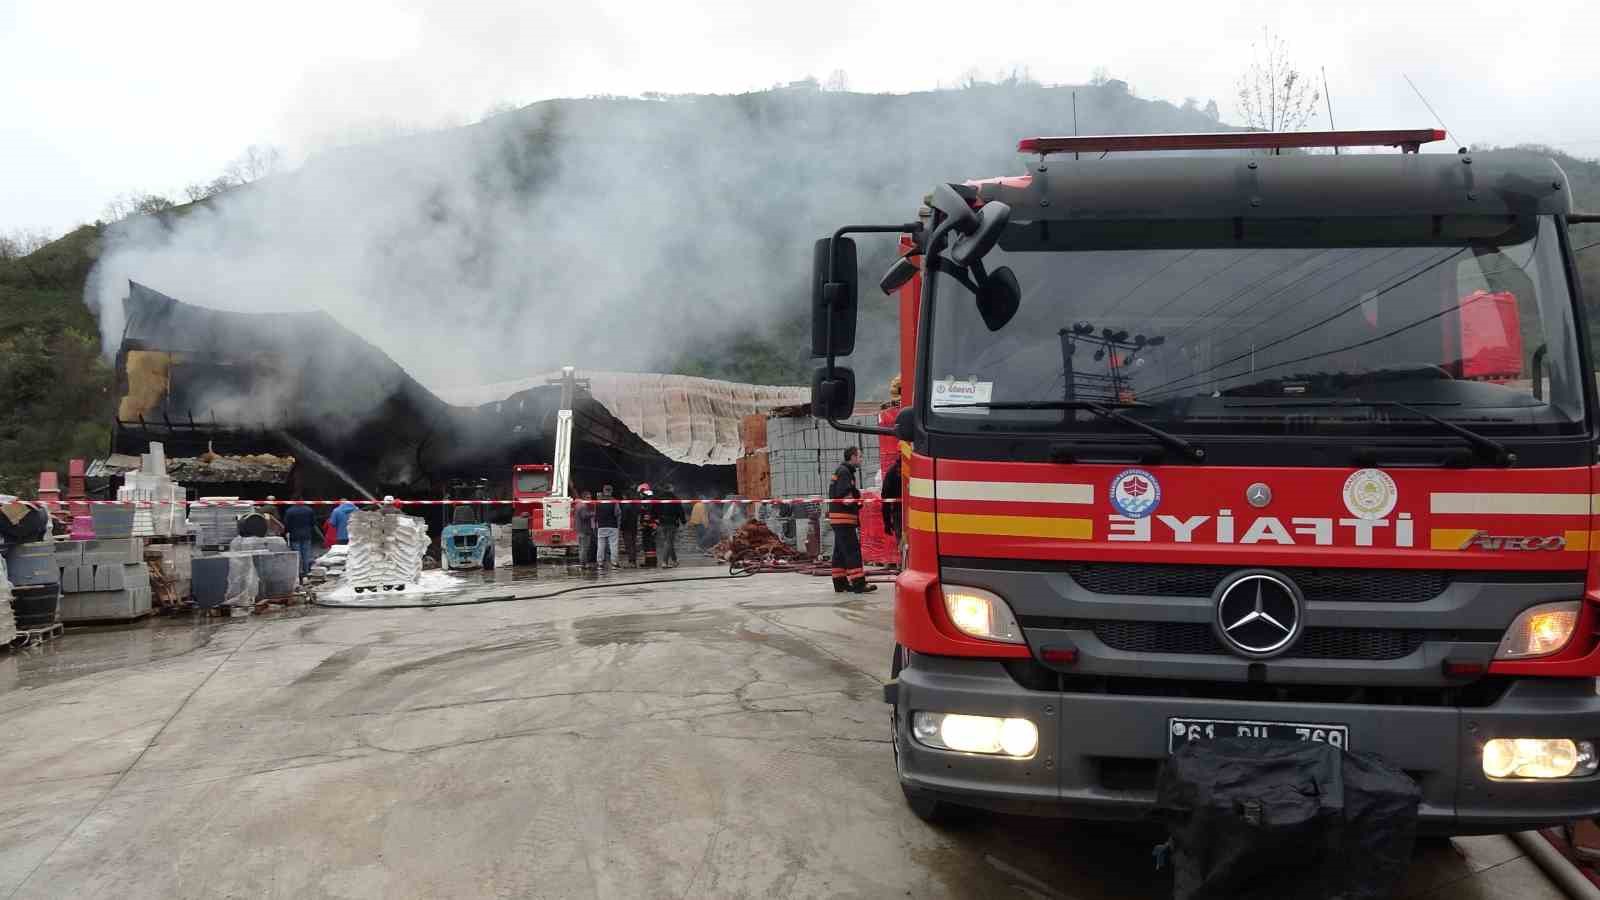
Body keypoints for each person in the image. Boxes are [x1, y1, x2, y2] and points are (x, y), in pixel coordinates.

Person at [828, 447, 875, 593]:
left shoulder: (841, 471)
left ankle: (840, 582)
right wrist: (858, 502)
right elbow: (845, 497)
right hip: (844, 519)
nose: (861, 459)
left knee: (840, 552)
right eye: (860, 456)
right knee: (852, 550)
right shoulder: (845, 472)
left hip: (838, 519)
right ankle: (859, 584)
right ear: (853, 457)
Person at [283, 497, 319, 578]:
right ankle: (306, 572)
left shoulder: (289, 511)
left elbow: (286, 524)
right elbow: (313, 523)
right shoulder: (309, 510)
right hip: (306, 535)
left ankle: (299, 574)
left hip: (294, 536)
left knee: (297, 555)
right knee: (306, 554)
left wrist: (286, 533)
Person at [653, 482, 685, 568]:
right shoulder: (675, 498)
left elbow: (654, 509)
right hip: (672, 523)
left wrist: (655, 518)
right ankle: (664, 562)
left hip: (662, 522)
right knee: (668, 542)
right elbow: (680, 511)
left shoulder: (658, 498)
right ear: (671, 489)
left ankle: (674, 560)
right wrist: (683, 521)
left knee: (668, 542)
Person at [595, 485, 622, 571]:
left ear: (603, 491)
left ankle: (600, 563)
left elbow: (596, 513)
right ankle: (614, 563)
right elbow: (617, 513)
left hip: (601, 526)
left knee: (600, 545)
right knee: (613, 545)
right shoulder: (614, 501)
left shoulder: (598, 502)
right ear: (611, 491)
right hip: (612, 526)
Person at [881, 457, 903, 538]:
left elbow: (885, 497)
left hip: (898, 513)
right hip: (915, 512)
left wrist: (887, 522)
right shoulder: (916, 468)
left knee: (902, 545)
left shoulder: (892, 472)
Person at [619, 486, 640, 567]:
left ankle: (631, 562)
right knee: (633, 544)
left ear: (625, 496)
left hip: (627, 527)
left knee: (628, 545)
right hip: (633, 526)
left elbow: (624, 518)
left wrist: (621, 526)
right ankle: (633, 561)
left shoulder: (626, 505)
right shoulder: (634, 505)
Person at [575, 490, 596, 570]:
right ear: (584, 497)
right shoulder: (583, 506)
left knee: (581, 547)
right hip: (584, 530)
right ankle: (583, 563)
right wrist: (593, 513)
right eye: (588, 497)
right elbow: (584, 516)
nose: (590, 499)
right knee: (585, 548)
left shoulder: (578, 505)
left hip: (579, 529)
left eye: (590, 497)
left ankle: (582, 562)